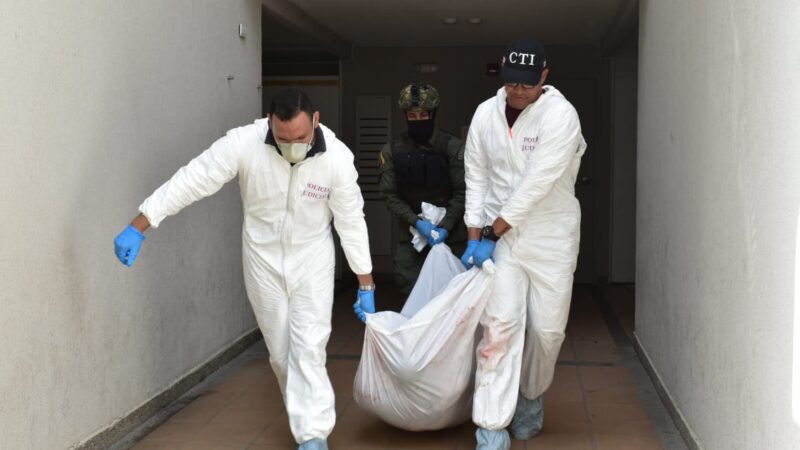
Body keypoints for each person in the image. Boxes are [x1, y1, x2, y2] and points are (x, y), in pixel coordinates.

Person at [113, 88, 376, 450]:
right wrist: (141, 224)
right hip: (261, 259)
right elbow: (194, 178)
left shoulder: (337, 159)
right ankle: (307, 423)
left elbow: (350, 220)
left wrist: (365, 281)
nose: (292, 146)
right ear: (270, 123)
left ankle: (313, 435)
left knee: (309, 348)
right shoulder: (244, 143)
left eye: (300, 138)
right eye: (283, 139)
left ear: (315, 121)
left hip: (312, 258)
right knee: (282, 353)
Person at [461, 39, 587, 449]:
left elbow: (537, 183)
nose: (518, 91)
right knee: (499, 329)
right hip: (503, 246)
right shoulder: (486, 115)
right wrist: (474, 235)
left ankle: (531, 395)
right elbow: (475, 175)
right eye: (512, 82)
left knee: (548, 332)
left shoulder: (561, 116)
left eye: (527, 85)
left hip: (551, 238)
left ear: (544, 77)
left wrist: (492, 231)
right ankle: (491, 425)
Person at [378, 82, 467, 294]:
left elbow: (462, 192)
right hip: (412, 235)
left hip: (451, 234)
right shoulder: (392, 150)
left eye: (423, 116)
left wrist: (445, 226)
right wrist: (418, 223)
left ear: (433, 114)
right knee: (410, 287)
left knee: (453, 295)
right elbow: (390, 196)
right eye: (412, 116)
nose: (418, 121)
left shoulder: (452, 147)